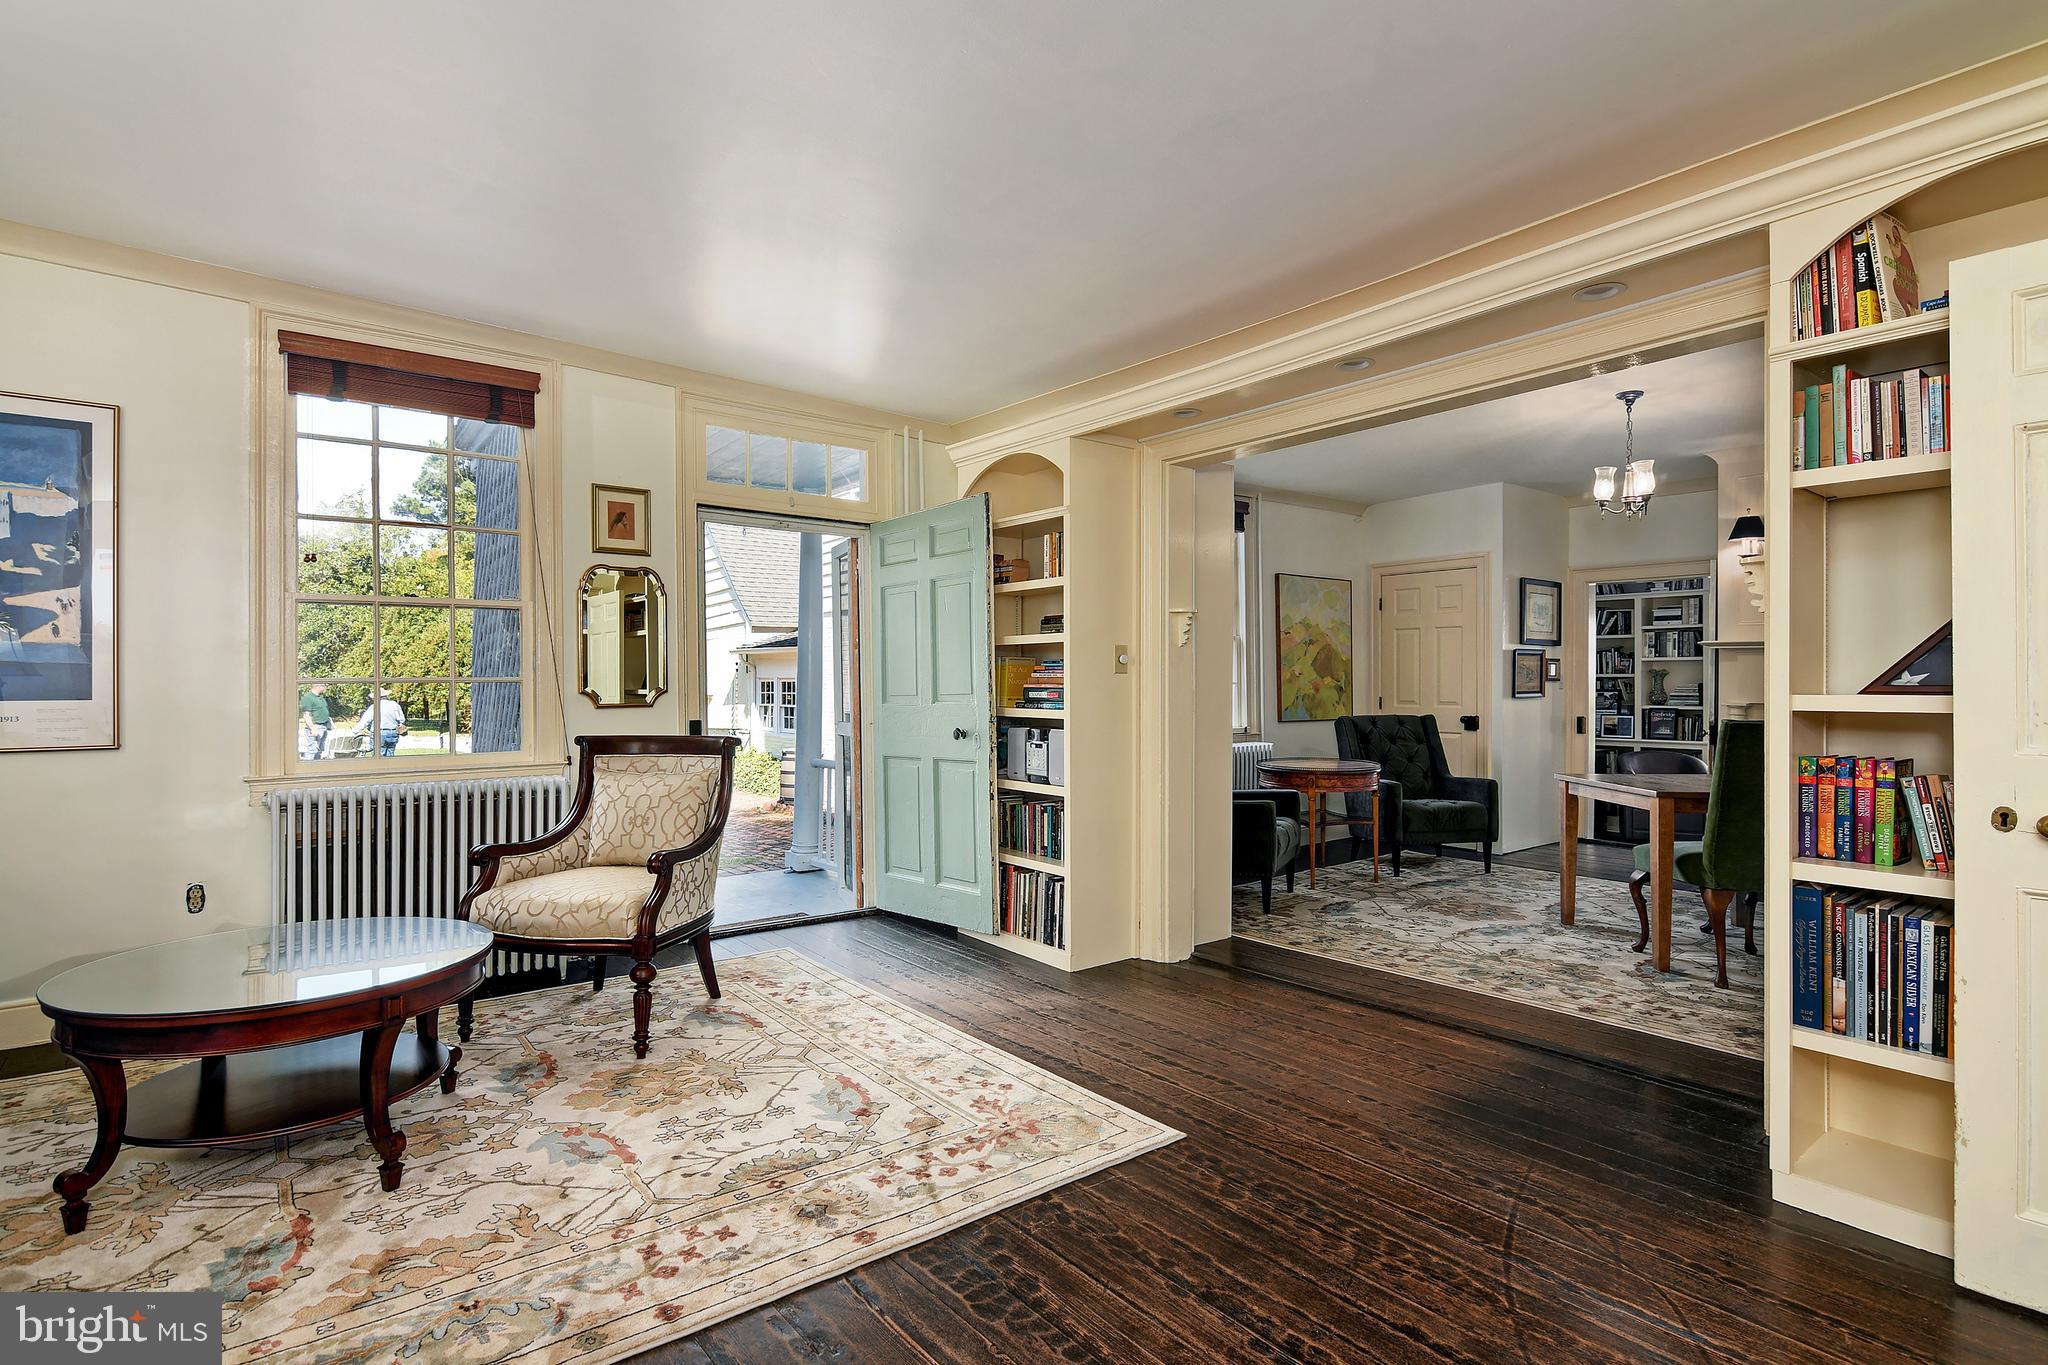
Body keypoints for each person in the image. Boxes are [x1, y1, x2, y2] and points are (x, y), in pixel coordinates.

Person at [347, 688, 407, 756]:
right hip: (393, 733)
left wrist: (354, 731)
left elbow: (365, 721)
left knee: (378, 757)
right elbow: (402, 720)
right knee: (390, 755)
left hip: (379, 733)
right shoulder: (395, 705)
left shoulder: (374, 706)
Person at [298, 682, 332, 759]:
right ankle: (307, 768)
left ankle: (316, 768)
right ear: (318, 686)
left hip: (324, 726)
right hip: (315, 727)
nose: (326, 688)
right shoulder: (308, 698)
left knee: (320, 751)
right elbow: (306, 715)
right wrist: (312, 728)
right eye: (325, 686)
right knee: (312, 750)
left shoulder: (320, 697)